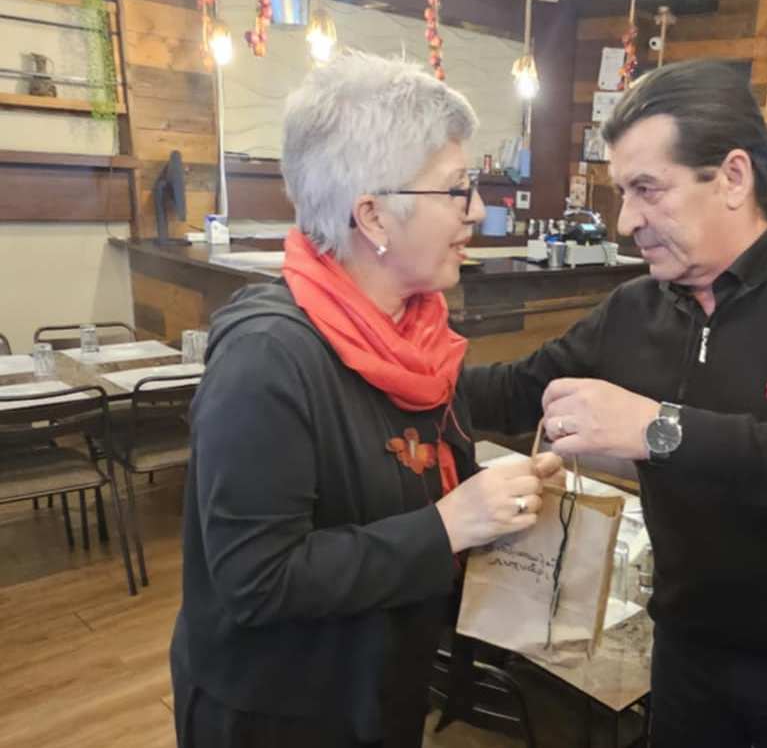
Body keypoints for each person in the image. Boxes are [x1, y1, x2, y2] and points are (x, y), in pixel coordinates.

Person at [461, 59, 767, 746]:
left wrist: (658, 429)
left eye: (648, 189)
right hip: (686, 652)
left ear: (732, 177)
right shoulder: (633, 308)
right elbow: (513, 390)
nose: (626, 221)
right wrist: (375, 359)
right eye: (623, 192)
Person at [170, 52, 561, 748]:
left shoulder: (414, 337)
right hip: (282, 714)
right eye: (456, 189)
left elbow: (396, 485)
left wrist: (501, 499)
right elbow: (257, 579)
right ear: (374, 216)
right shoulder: (267, 359)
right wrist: (448, 524)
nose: (477, 209)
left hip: (382, 684)